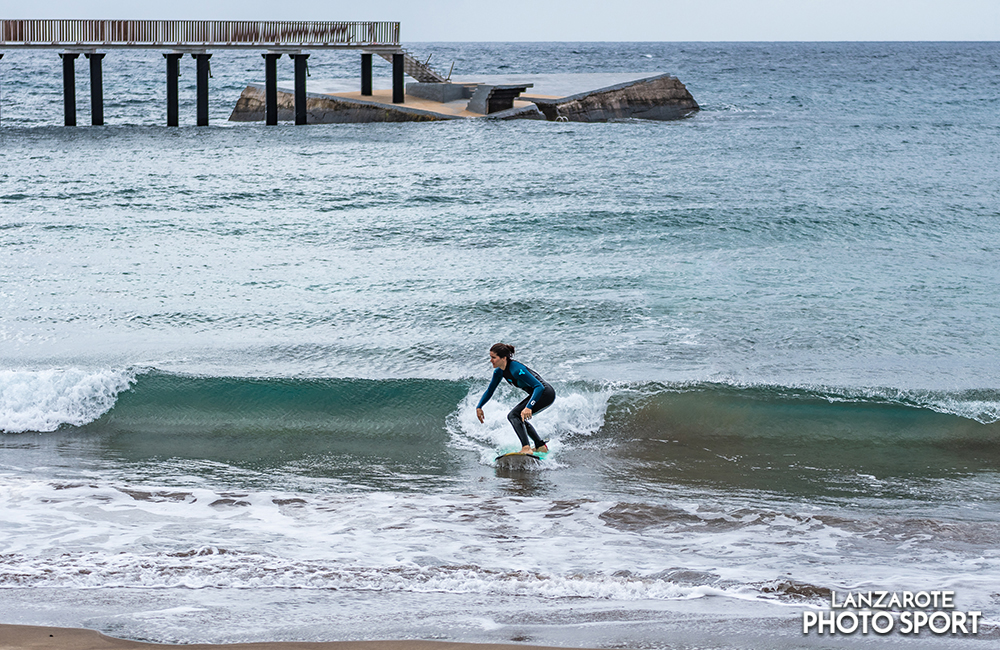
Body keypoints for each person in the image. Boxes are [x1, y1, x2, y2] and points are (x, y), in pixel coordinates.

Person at [475, 343, 556, 454]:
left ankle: (526, 448)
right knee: (518, 416)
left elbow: (539, 386)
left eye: (493, 357)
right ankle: (540, 446)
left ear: (503, 358)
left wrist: (529, 407)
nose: (491, 360)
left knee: (514, 415)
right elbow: (490, 390)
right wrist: (479, 406)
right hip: (537, 395)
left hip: (545, 394)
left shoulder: (517, 370)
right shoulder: (499, 372)